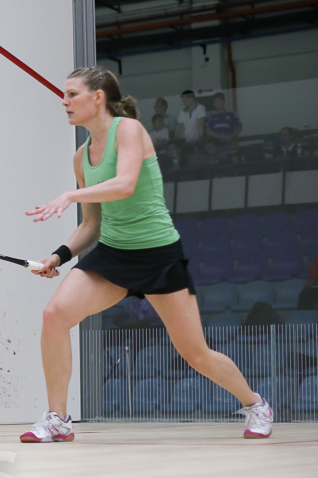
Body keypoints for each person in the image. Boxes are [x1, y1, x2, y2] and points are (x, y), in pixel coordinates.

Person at [22, 67, 273, 442]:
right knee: (54, 315)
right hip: (113, 256)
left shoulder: (129, 130)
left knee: (195, 354)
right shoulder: (81, 158)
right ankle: (58, 418)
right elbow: (92, 224)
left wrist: (70, 195)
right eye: (64, 95)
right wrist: (59, 256)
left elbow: (124, 184)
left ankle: (255, 404)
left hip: (159, 256)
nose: (65, 101)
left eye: (72, 94)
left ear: (98, 97)